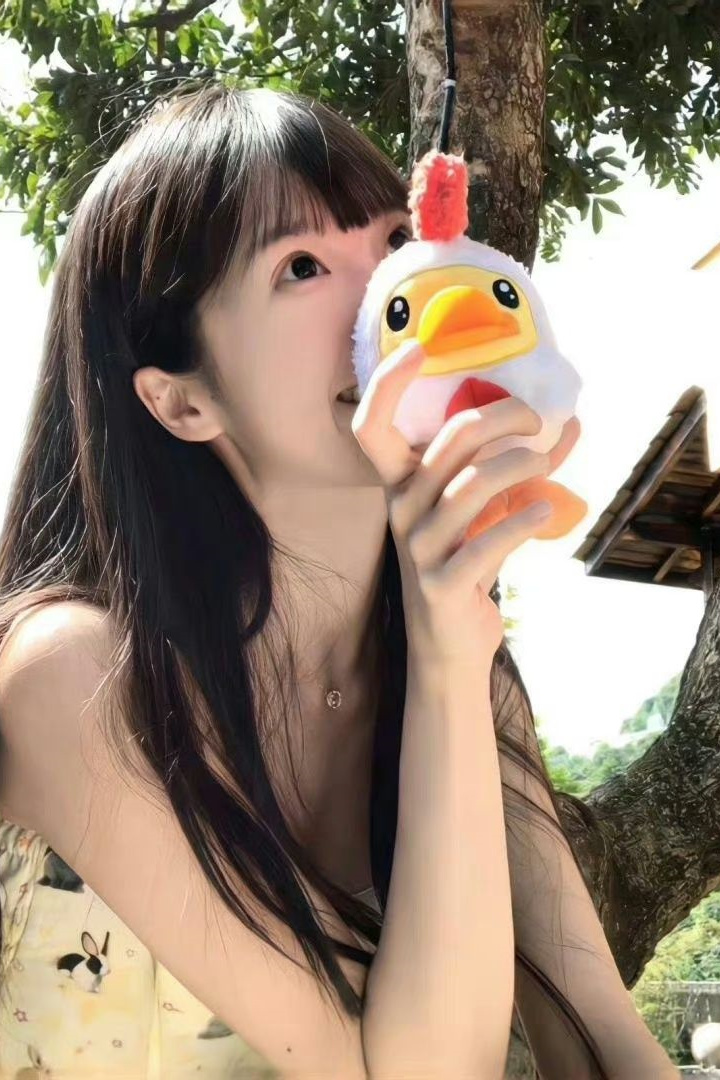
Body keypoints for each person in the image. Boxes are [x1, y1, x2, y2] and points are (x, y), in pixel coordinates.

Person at [0, 83, 676, 1078]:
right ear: (181, 402)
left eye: (396, 239)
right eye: (302, 267)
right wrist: (446, 658)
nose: (392, 298)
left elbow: (604, 1036)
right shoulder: (75, 678)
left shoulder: (458, 671)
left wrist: (450, 653)